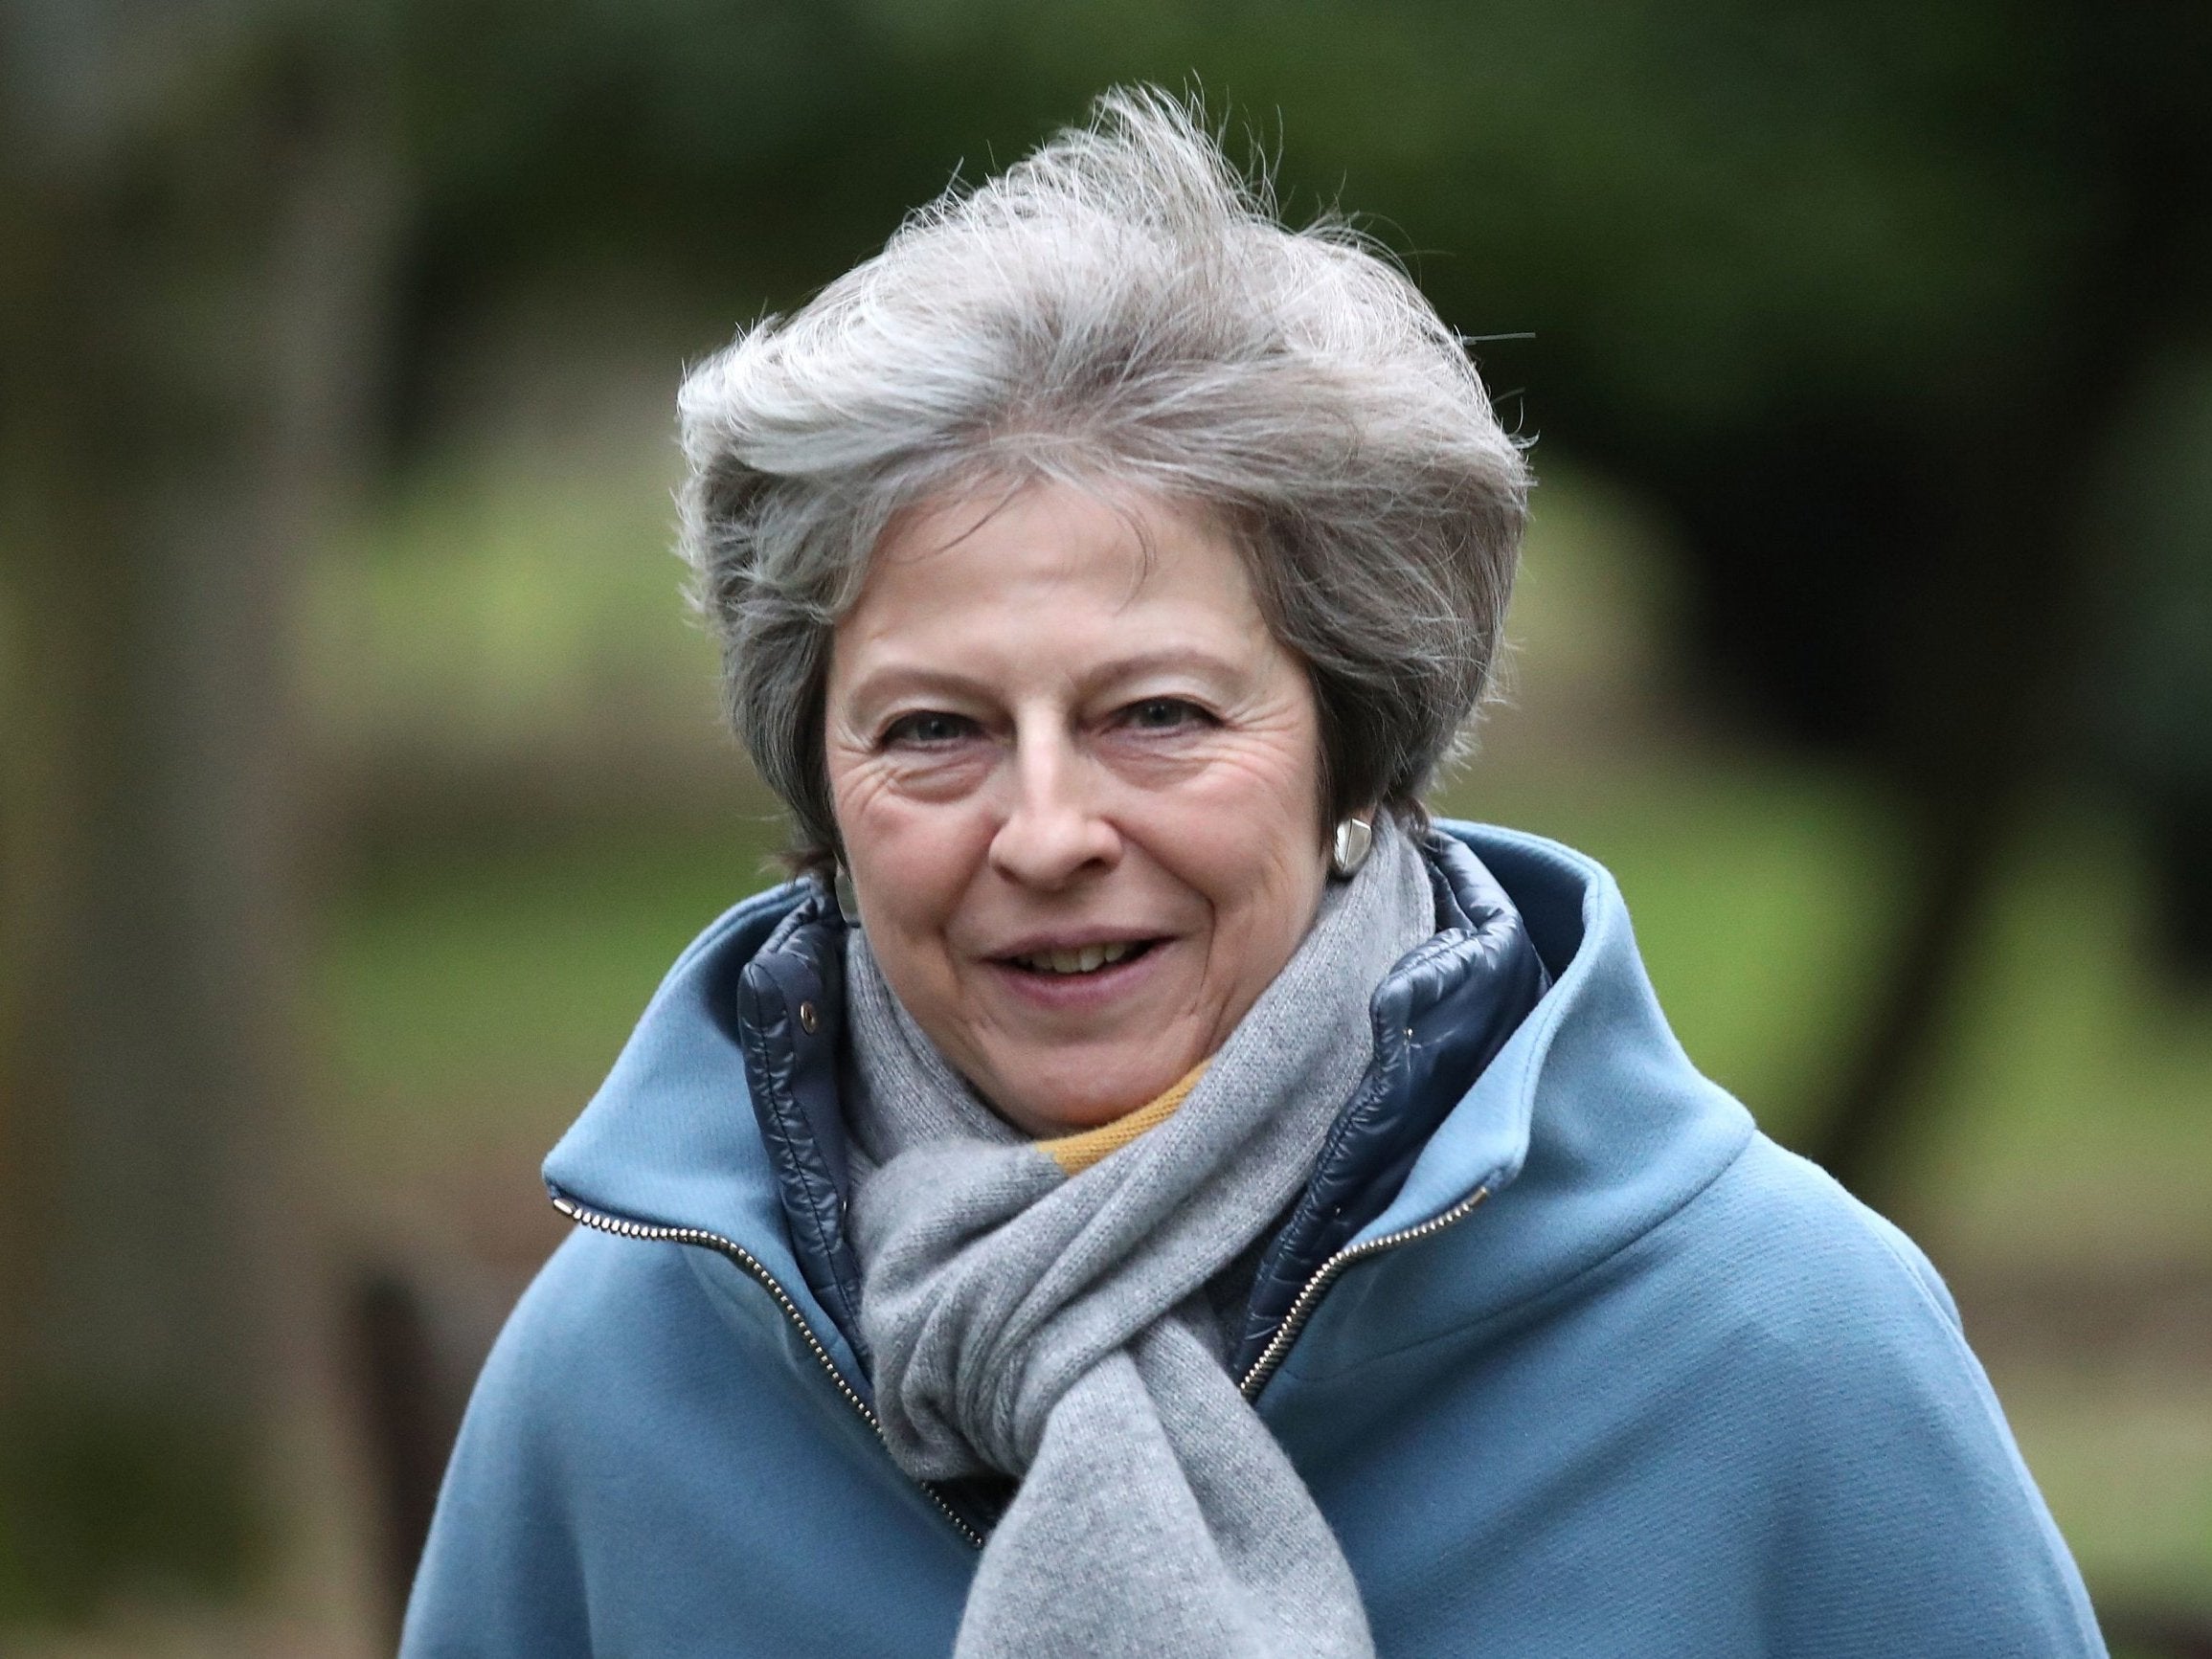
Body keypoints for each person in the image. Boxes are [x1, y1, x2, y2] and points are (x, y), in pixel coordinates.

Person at [401, 90, 2106, 1658]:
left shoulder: (1775, 1343)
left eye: (1153, 713)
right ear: (819, 784)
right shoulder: (625, 1372)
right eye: (933, 729)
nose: (1047, 829)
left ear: (1354, 752)